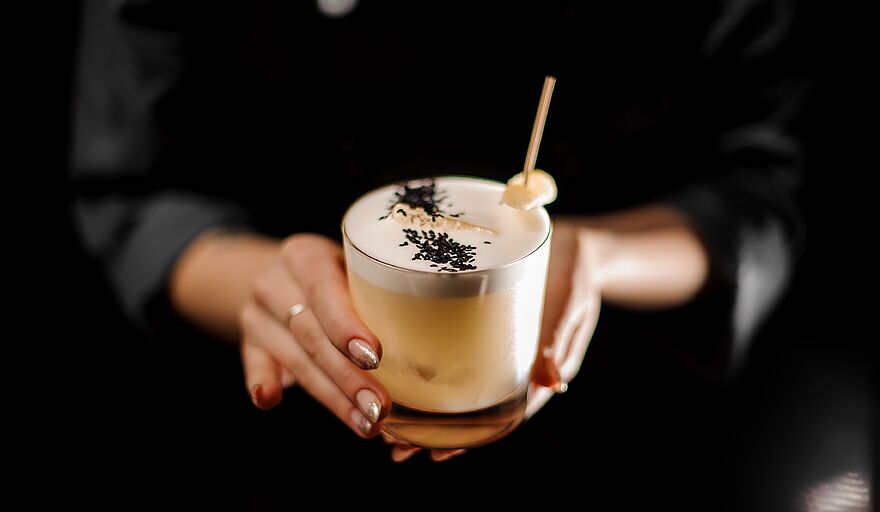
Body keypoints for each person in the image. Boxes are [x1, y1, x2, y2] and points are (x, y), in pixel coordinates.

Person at [71, 0, 807, 470]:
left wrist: (603, 253)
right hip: (302, 481)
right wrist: (276, 291)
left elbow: (766, 187)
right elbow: (135, 193)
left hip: (634, 464)